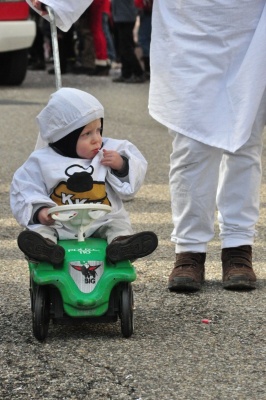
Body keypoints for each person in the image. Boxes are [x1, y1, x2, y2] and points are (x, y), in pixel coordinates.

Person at [148, 1, 266, 291]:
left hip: (250, 32)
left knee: (245, 145)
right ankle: (190, 250)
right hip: (187, 26)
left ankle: (238, 247)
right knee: (192, 147)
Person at [10, 88, 158, 267]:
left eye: (99, 130)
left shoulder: (109, 151)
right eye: (87, 134)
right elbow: (25, 188)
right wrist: (40, 211)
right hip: (59, 223)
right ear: (66, 139)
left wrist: (121, 165)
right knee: (41, 230)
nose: (96, 139)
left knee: (117, 223)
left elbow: (135, 172)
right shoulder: (42, 161)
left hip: (101, 219)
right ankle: (46, 248)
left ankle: (120, 244)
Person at [111, 0, 146, 83]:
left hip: (126, 16)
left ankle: (139, 73)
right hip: (120, 16)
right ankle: (126, 73)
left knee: (126, 47)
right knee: (122, 46)